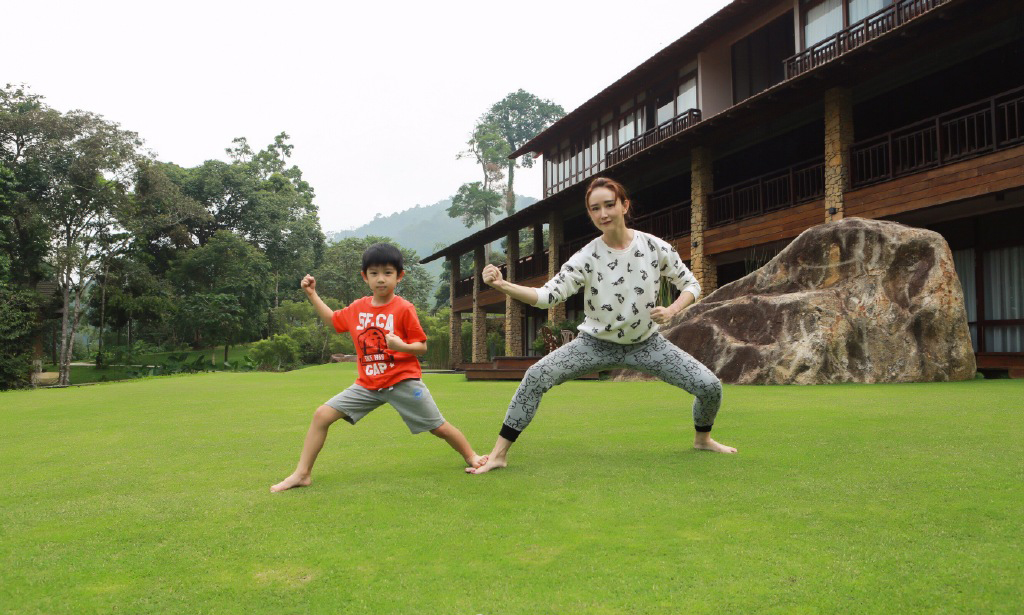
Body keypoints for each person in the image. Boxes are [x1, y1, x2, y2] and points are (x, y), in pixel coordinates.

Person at [468, 177, 736, 475]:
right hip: (593, 346)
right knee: (536, 375)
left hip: (647, 344)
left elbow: (692, 284)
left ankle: (703, 439)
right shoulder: (586, 257)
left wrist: (673, 309)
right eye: (595, 208)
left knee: (710, 386)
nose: (603, 213)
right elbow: (546, 297)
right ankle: (498, 454)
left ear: (625, 205)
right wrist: (504, 285)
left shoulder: (654, 247)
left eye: (609, 205)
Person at [272, 243, 486, 492]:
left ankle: (471, 456)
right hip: (368, 385)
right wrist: (312, 294)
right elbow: (333, 322)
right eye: (374, 273)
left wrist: (401, 345)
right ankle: (302, 474)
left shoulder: (403, 308)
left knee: (438, 427)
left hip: (402, 382)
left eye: (387, 273)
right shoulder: (357, 308)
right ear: (365, 277)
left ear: (399, 276)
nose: (381, 279)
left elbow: (421, 347)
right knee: (321, 415)